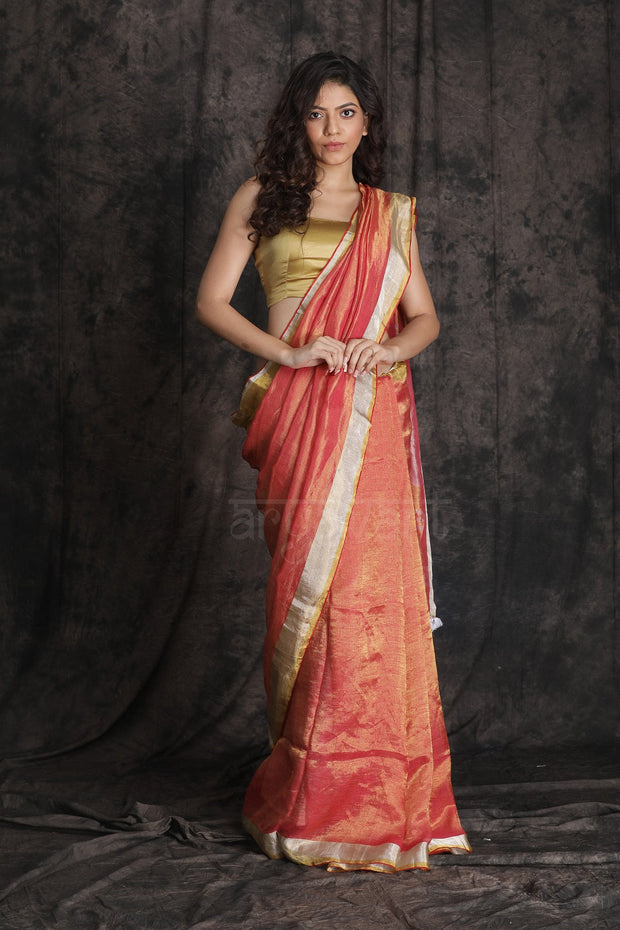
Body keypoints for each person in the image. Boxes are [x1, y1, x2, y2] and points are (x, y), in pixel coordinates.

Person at [196, 51, 470, 872]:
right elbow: (212, 303)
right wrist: (291, 350)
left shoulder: (388, 216)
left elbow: (424, 319)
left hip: (369, 414)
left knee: (374, 600)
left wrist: (380, 347)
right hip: (297, 413)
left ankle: (384, 798)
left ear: (367, 123)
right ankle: (309, 793)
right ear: (296, 120)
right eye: (317, 114)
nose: (331, 129)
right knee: (312, 592)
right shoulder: (260, 198)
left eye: (347, 113)